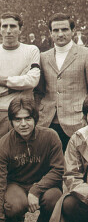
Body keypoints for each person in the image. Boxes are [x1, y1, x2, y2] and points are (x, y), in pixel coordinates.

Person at [0, 97, 63, 222]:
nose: (23, 124)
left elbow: (58, 169)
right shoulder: (2, 146)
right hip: (16, 186)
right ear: (11, 121)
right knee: (14, 204)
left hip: (42, 185)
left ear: (35, 118)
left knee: (54, 197)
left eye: (28, 118)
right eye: (17, 119)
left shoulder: (50, 136)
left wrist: (36, 190)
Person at [0, 12, 40, 150]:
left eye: (13, 26)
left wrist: (1, 80)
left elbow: (32, 80)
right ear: (0, 29)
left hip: (23, 113)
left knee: (24, 154)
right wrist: (19, 85)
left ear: (20, 29)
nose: (9, 30)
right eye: (5, 26)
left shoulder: (31, 50)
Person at [35, 13, 88, 152]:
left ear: (73, 31)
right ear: (50, 33)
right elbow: (38, 91)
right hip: (48, 122)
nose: (60, 34)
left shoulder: (85, 54)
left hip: (77, 121)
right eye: (56, 30)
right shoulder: (43, 57)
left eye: (64, 29)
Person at [49, 96, 88, 222]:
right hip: (87, 196)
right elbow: (72, 176)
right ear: (85, 117)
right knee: (69, 204)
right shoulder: (78, 139)